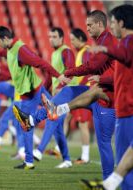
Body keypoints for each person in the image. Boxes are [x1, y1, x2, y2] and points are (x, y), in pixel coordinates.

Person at [16, 10, 117, 179]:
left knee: (104, 143)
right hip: (97, 93)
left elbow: (93, 66)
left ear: (100, 24)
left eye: (90, 25)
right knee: (67, 93)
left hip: (108, 98)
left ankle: (109, 180)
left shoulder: (106, 42)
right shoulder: (100, 41)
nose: (87, 29)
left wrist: (70, 72)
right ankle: (33, 120)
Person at [0, 26, 68, 170]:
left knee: (27, 125)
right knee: (55, 113)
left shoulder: (21, 50)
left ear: (6, 39)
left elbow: (41, 63)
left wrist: (59, 76)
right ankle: (64, 158)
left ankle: (30, 160)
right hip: (34, 91)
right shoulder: (10, 48)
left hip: (31, 94)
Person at [80, 4, 133, 190]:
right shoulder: (123, 44)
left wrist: (105, 50)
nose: (111, 26)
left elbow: (125, 55)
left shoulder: (127, 44)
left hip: (127, 112)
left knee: (125, 159)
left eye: (112, 22)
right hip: (125, 110)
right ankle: (109, 184)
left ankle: (109, 185)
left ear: (121, 22)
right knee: (128, 160)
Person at [32, 27, 76, 168]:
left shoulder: (66, 51)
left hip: (67, 93)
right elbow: (51, 76)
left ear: (61, 38)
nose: (51, 39)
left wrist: (60, 87)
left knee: (52, 118)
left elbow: (70, 71)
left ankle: (39, 150)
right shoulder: (55, 53)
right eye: (49, 36)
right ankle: (67, 159)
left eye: (54, 36)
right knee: (57, 128)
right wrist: (43, 92)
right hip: (59, 94)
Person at [69, 28, 92, 164]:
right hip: (83, 91)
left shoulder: (86, 52)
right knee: (70, 119)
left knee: (83, 124)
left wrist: (79, 88)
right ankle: (59, 149)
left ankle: (85, 156)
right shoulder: (81, 53)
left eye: (73, 39)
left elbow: (88, 72)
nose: (71, 43)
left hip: (85, 92)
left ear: (80, 38)